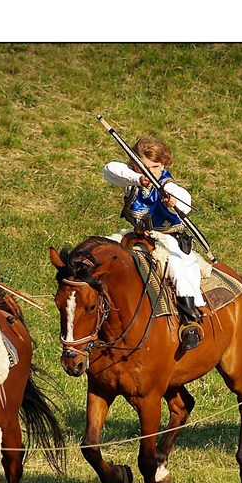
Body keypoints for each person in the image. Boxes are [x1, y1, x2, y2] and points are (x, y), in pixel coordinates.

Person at [102, 135, 205, 350]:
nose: (149, 171)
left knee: (178, 270)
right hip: (137, 234)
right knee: (102, 252)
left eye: (155, 166)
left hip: (167, 238)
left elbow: (184, 200)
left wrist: (173, 203)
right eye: (142, 166)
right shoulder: (133, 179)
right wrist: (138, 178)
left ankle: (191, 322)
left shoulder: (169, 186)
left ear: (164, 164)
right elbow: (110, 170)